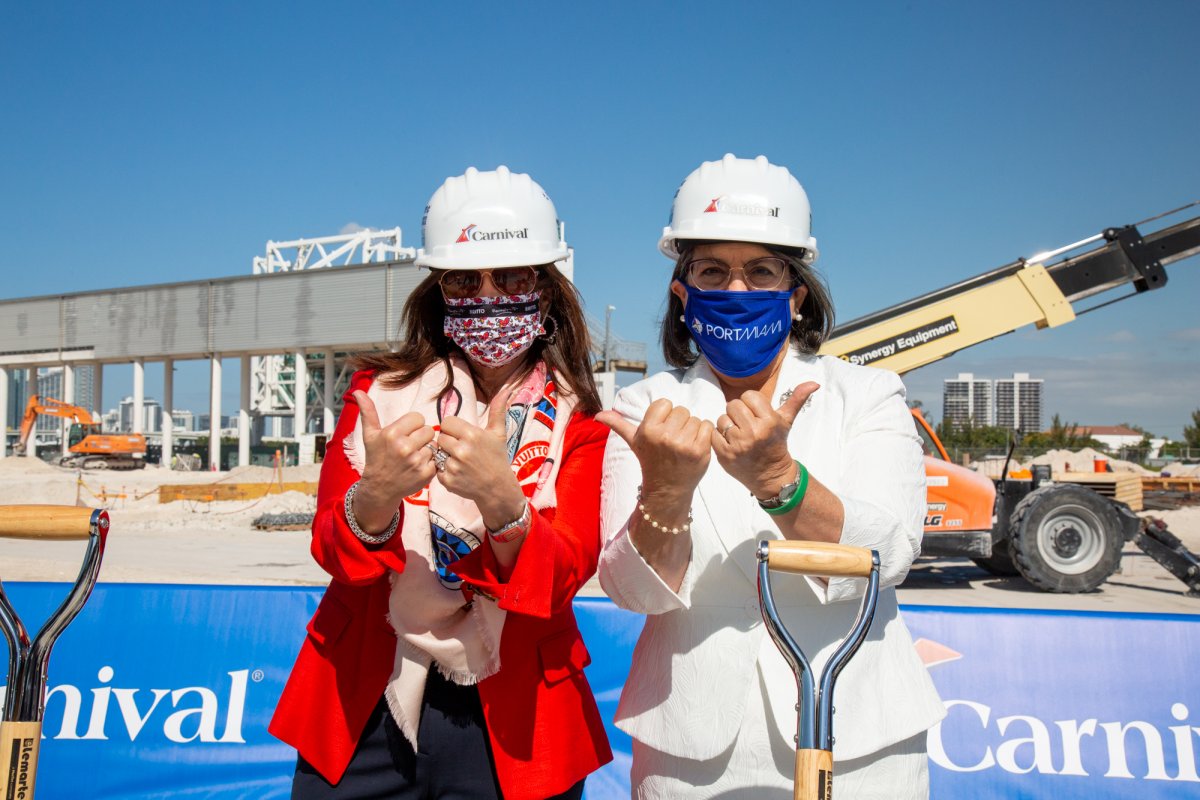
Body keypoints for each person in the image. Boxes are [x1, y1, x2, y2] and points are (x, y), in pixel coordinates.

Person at [597, 154, 945, 798]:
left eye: (761, 270)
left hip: (861, 736)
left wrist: (781, 480)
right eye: (711, 270)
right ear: (682, 292)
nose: (736, 289)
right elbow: (630, 591)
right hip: (691, 749)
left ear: (797, 292)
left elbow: (888, 554)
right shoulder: (643, 409)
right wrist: (666, 492)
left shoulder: (868, 394)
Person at [270, 166, 612, 799]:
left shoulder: (581, 423)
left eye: (510, 276)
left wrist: (505, 506)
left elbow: (565, 574)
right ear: (439, 289)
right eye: (464, 279)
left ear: (546, 287)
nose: (487, 295)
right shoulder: (379, 396)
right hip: (364, 702)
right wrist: (375, 495)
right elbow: (330, 548)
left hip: (519, 714)